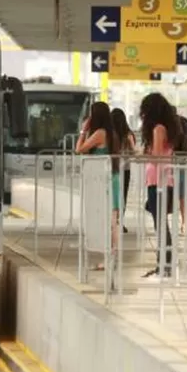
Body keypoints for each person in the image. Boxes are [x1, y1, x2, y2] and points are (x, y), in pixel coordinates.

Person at [75, 102, 122, 271]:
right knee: (112, 220)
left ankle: (110, 258)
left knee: (108, 221)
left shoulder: (100, 134)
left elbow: (79, 149)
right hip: (112, 178)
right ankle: (112, 257)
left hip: (104, 181)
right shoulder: (112, 134)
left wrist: (83, 130)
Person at [139, 93, 179, 280]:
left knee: (160, 225)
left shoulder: (158, 129)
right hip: (162, 180)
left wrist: (141, 155)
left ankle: (164, 265)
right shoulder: (165, 127)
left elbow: (155, 157)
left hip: (158, 181)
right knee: (161, 224)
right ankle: (163, 264)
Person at [111, 108, 136, 234]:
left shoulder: (109, 133)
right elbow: (133, 151)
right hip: (125, 169)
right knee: (122, 195)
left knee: (112, 194)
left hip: (111, 168)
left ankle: (112, 220)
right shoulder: (128, 134)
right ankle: (120, 222)